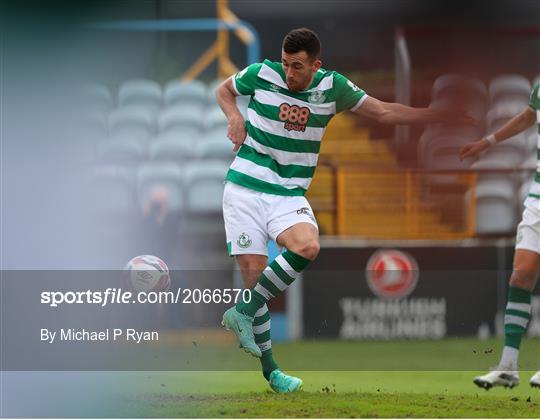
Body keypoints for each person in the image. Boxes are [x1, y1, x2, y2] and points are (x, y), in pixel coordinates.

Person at [216, 27, 472, 393]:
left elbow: (383, 112)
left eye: (298, 67)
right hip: (244, 188)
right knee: (256, 280)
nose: (289, 74)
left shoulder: (333, 87)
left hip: (288, 193)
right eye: (286, 65)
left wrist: (435, 116)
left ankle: (241, 311)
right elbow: (224, 90)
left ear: (316, 65)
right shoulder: (262, 73)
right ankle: (272, 372)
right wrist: (234, 116)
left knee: (307, 246)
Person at [460, 81, 540, 390]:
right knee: (521, 277)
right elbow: (528, 116)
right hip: (537, 194)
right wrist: (488, 142)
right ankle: (508, 366)